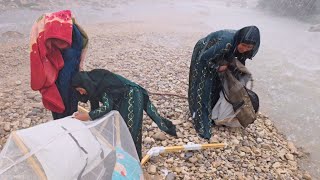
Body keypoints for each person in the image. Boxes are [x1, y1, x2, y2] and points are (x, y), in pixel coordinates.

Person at [71, 69, 177, 159]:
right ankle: (124, 157)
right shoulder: (92, 85)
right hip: (123, 99)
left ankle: (134, 161)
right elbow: (95, 109)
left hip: (132, 95)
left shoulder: (102, 83)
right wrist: (90, 118)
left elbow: (106, 107)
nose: (81, 93)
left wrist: (86, 116)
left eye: (80, 90)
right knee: (120, 129)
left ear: (85, 84)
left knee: (130, 131)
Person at [188, 26, 260, 139]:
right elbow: (204, 58)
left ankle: (211, 111)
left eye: (249, 47)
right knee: (204, 84)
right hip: (205, 51)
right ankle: (200, 118)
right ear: (239, 40)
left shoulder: (242, 45)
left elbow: (240, 61)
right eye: (244, 45)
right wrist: (217, 67)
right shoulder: (226, 43)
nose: (245, 49)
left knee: (217, 82)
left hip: (222, 53)